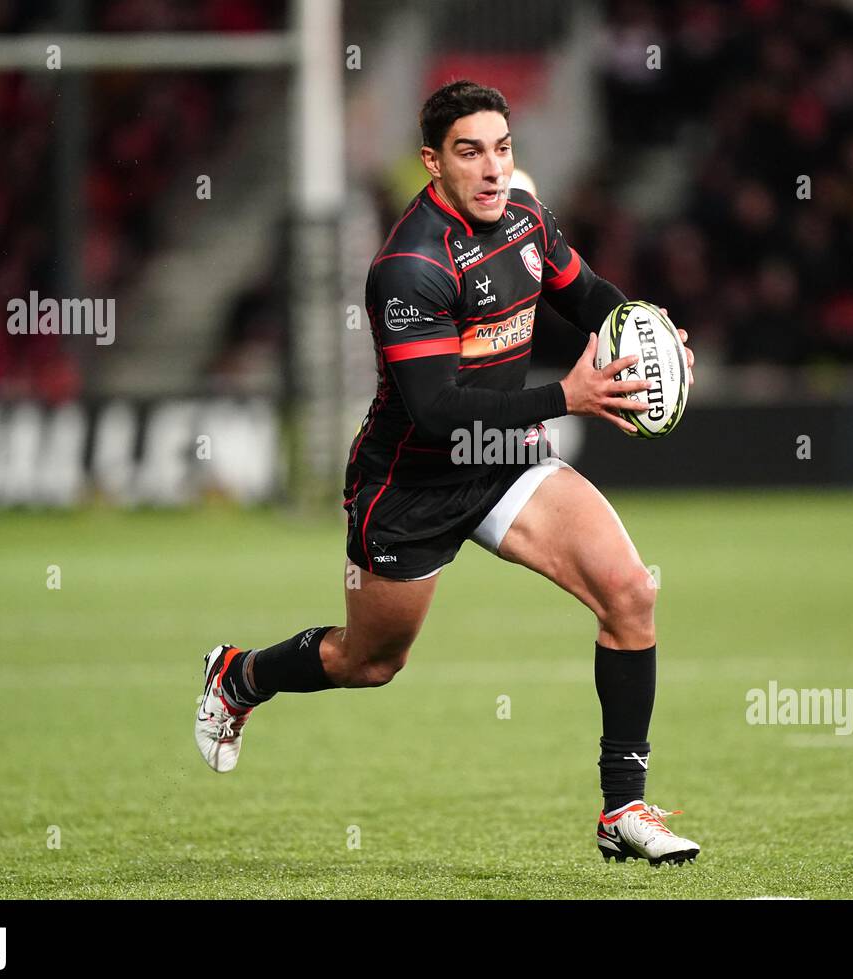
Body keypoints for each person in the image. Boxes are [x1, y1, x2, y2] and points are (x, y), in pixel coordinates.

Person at [195, 80, 698, 866]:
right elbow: (436, 413)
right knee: (370, 663)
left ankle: (622, 809)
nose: (493, 169)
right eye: (470, 152)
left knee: (630, 592)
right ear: (432, 163)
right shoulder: (408, 266)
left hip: (504, 461)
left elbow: (590, 295)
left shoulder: (527, 219)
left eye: (503, 148)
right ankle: (239, 676)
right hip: (409, 487)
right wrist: (568, 395)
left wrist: (648, 337)